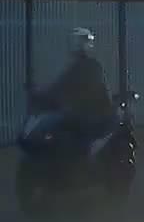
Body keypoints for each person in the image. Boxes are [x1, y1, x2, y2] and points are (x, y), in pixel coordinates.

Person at [36, 27, 114, 155]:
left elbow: (87, 88)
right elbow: (60, 83)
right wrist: (42, 92)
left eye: (79, 42)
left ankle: (83, 156)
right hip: (81, 110)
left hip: (94, 112)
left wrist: (60, 94)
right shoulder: (76, 65)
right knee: (56, 123)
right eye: (75, 42)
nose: (76, 46)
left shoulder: (91, 65)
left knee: (65, 125)